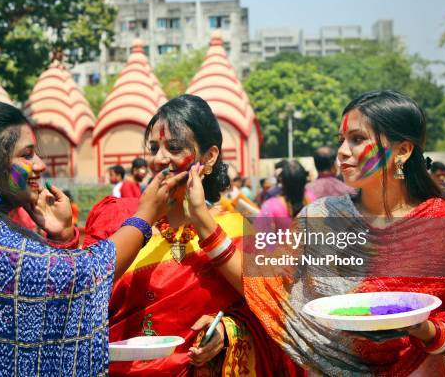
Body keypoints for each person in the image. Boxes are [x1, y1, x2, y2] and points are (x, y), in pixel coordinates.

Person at [182, 90, 445, 375]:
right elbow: (261, 287)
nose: (342, 151)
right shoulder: (321, 216)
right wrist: (201, 218)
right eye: (342, 139)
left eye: (357, 139)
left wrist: (428, 332)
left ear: (403, 150)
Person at [0, 100, 185, 375]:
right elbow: (80, 277)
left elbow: (37, 310)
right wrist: (145, 216)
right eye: (26, 155)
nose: (40, 164)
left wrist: (64, 237)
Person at [83, 95, 296, 376]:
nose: (159, 159)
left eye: (173, 147)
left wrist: (226, 330)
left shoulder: (235, 232)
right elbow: (78, 296)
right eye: (153, 148)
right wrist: (64, 237)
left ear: (209, 157)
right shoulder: (114, 217)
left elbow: (273, 313)